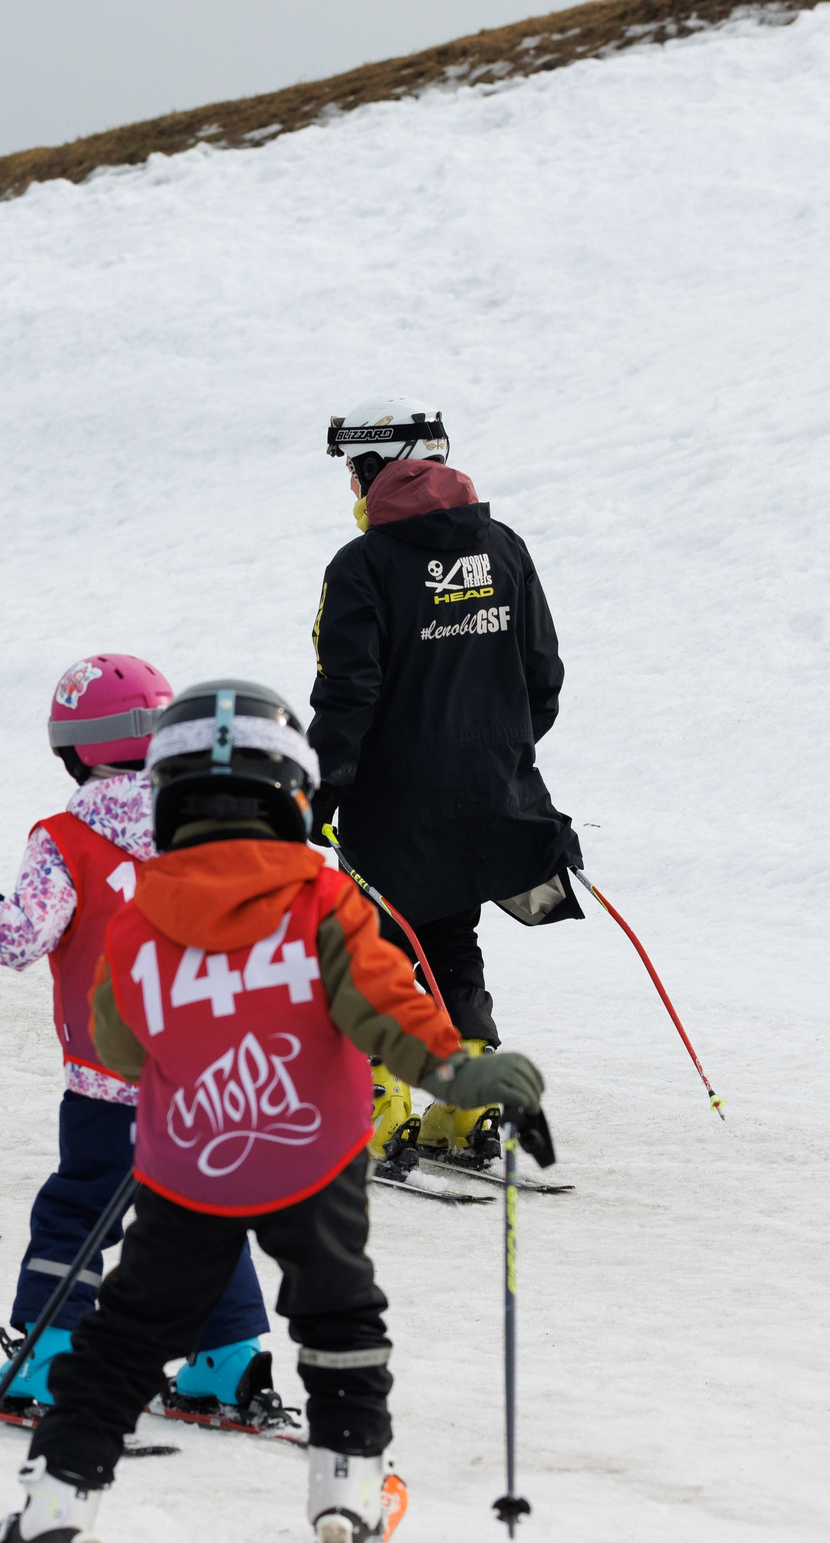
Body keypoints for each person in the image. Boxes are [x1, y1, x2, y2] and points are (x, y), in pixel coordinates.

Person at [0, 680, 547, 1543]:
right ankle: (344, 1503)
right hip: (315, 1160)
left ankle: (50, 1523)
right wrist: (481, 1082)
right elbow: (397, 1018)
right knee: (338, 1317)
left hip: (189, 1164)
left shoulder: (145, 913)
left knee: (125, 1341)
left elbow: (116, 1046)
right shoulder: (324, 900)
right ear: (294, 794)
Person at [0, 656, 273, 1422]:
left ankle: (51, 1361)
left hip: (111, 1082)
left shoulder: (68, 838)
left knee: (79, 1213)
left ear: (73, 749)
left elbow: (17, 938)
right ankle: (229, 1363)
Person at [310, 399, 581, 1175]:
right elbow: (543, 678)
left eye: (354, 471)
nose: (352, 487)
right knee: (450, 943)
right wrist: (492, 754)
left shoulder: (360, 567)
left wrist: (316, 791)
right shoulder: (502, 548)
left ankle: (375, 1110)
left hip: (391, 806)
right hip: (491, 795)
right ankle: (467, 1108)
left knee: (370, 948)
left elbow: (347, 696)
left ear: (377, 469)